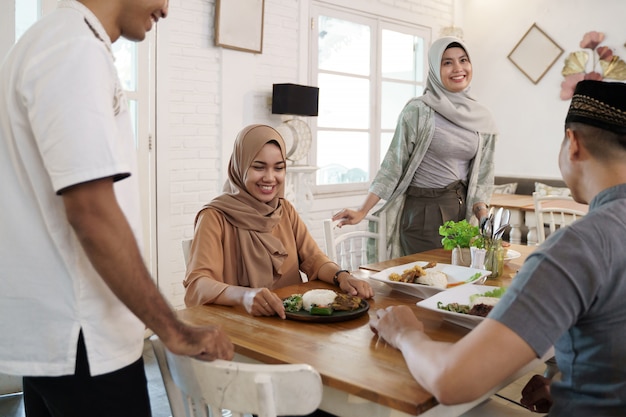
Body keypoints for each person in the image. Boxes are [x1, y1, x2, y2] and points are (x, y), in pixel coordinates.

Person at [0, 1, 233, 416]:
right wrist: (173, 329)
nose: (165, 8)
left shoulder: (45, 41)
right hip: (85, 343)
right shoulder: (74, 50)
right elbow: (92, 214)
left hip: (55, 341)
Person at [369, 80, 626, 416]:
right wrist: (571, 385)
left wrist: (405, 334)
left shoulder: (578, 246)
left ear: (572, 144)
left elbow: (452, 381)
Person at [183, 124, 374, 318]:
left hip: (290, 322)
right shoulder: (214, 217)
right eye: (258, 167)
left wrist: (342, 276)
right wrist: (244, 295)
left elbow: (314, 259)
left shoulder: (284, 210)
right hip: (241, 327)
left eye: (279, 168)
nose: (270, 177)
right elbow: (198, 283)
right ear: (240, 167)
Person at [332, 36, 498, 258]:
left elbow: (483, 178)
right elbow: (393, 165)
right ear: (434, 69)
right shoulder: (418, 110)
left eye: (463, 60)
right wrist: (363, 210)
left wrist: (483, 217)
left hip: (461, 214)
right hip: (424, 213)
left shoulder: (482, 118)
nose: (458, 68)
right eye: (447, 62)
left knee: (458, 284)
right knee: (427, 283)